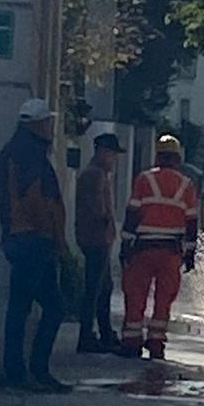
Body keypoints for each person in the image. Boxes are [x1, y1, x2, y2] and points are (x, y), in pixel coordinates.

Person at [0, 98, 70, 390]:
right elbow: (34, 200)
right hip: (32, 241)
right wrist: (54, 235)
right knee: (41, 307)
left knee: (28, 308)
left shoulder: (17, 151)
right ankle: (26, 373)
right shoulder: (28, 155)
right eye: (47, 121)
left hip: (25, 240)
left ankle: (27, 371)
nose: (50, 126)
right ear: (36, 124)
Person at [119, 132, 204, 360]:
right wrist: (190, 253)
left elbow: (132, 213)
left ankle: (131, 341)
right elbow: (192, 222)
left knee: (136, 295)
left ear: (157, 156)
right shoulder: (186, 185)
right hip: (170, 252)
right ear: (177, 159)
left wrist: (125, 245)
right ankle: (156, 342)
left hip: (143, 249)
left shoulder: (144, 179)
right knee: (164, 300)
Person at [73, 126, 128, 353]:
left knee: (104, 287)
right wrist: (107, 223)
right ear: (103, 152)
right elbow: (97, 208)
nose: (115, 159)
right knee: (95, 289)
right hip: (95, 238)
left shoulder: (96, 173)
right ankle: (87, 336)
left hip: (96, 238)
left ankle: (105, 333)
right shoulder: (95, 174)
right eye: (113, 154)